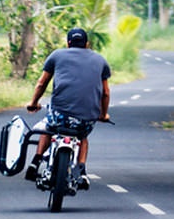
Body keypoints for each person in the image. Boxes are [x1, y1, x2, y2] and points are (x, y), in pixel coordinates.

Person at [25, 27, 111, 189]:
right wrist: (103, 114)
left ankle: (35, 162)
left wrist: (33, 103)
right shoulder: (100, 61)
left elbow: (42, 83)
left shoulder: (57, 55)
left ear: (68, 43)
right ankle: (82, 171)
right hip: (86, 118)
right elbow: (105, 93)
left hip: (60, 115)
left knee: (48, 128)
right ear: (87, 44)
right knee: (82, 137)